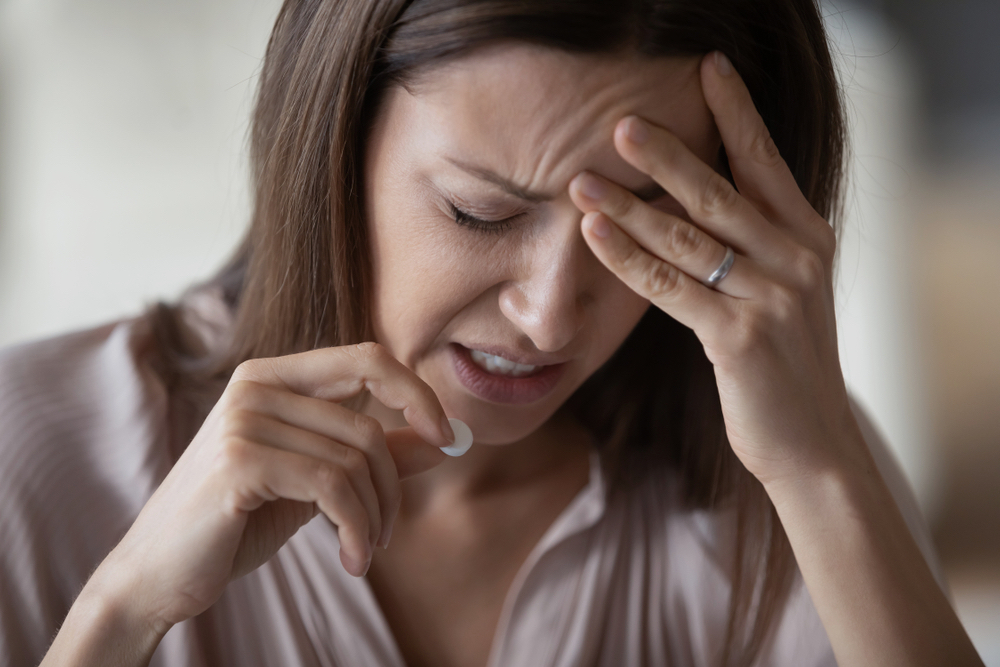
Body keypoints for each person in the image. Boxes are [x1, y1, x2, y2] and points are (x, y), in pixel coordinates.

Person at [0, 0, 984, 665]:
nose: (549, 315)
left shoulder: (786, 483)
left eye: (648, 230)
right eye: (481, 213)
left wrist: (821, 473)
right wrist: (123, 611)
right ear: (331, 148)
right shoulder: (33, 463)